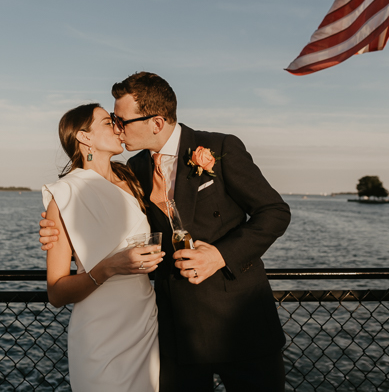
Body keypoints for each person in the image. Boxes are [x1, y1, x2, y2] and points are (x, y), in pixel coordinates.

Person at [41, 72, 292, 391]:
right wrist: (54, 228)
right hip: (175, 333)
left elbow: (274, 212)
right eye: (112, 121)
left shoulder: (220, 147)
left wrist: (218, 255)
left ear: (156, 123)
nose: (118, 127)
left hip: (241, 324)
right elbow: (97, 212)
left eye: (122, 120)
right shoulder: (135, 171)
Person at [43, 103, 164, 392]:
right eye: (108, 122)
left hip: (144, 323)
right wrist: (110, 266)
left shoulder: (132, 180)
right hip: (100, 332)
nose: (118, 127)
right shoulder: (65, 196)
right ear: (84, 137)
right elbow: (56, 292)